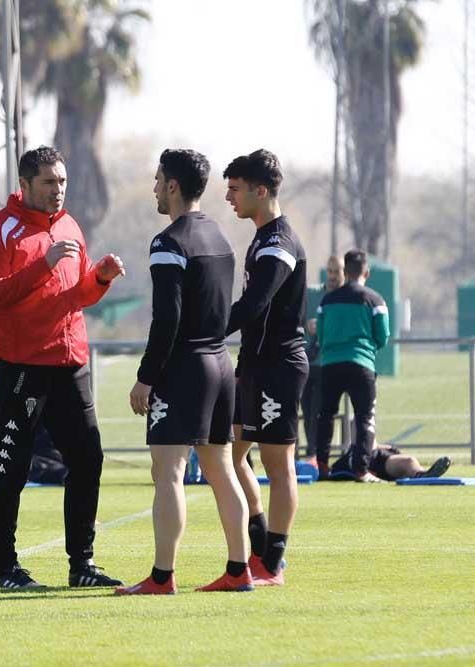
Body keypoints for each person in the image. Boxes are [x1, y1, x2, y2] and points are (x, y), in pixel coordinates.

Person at [0, 145, 126, 589]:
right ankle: (4, 567)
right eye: (48, 182)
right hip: (21, 365)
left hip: (69, 359)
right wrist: (43, 264)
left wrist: (99, 278)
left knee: (88, 458)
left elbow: (74, 297)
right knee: (12, 465)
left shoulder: (70, 226)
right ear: (24, 185)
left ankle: (82, 565)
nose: (58, 191)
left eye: (62, 182)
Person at [118, 149, 251, 596]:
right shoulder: (220, 235)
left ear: (173, 185)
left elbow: (167, 319)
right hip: (220, 365)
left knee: (168, 473)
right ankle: (239, 569)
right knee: (222, 469)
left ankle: (161, 577)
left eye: (158, 180)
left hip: (185, 370)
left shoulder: (168, 243)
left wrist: (146, 376)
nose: (155, 187)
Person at [223, 149, 308, 586]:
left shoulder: (279, 243)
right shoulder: (260, 237)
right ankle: (260, 538)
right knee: (232, 456)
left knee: (279, 465)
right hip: (253, 363)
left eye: (235, 189)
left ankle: (272, 562)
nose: (227, 196)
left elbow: (255, 306)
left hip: (278, 365)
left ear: (260, 190)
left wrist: (207, 327)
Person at [312, 249, 391, 482]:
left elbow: (322, 336)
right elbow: (383, 336)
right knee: (365, 417)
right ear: (366, 272)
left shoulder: (327, 301)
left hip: (330, 365)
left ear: (345, 272)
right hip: (361, 364)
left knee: (325, 416)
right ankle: (361, 470)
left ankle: (323, 467)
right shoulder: (375, 300)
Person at [301, 255, 345, 460]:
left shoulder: (347, 298)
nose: (333, 276)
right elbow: (293, 319)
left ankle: (315, 454)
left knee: (320, 412)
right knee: (307, 410)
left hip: (330, 363)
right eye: (330, 271)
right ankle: (312, 454)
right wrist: (306, 327)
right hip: (307, 362)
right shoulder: (312, 294)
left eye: (337, 271)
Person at [329, 443, 451, 482]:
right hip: (375, 462)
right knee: (409, 461)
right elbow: (334, 472)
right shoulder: (347, 458)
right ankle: (422, 475)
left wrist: (389, 447)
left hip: (380, 455)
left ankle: (421, 474)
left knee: (409, 462)